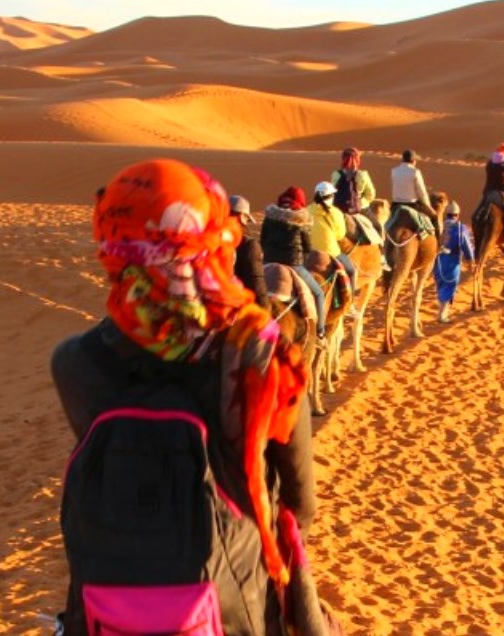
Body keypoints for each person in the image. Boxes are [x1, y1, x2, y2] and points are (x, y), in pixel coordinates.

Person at [50, 159, 337, 635]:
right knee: (317, 295)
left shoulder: (75, 362)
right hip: (234, 602)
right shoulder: (260, 352)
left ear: (112, 240)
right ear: (214, 233)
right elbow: (301, 501)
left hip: (106, 603)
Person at [261, 186, 326, 336]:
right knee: (318, 294)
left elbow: (263, 240)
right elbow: (307, 247)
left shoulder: (270, 216)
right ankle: (320, 332)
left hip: (268, 262)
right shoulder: (301, 220)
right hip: (294, 264)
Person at [433, 200, 476, 323]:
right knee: (449, 286)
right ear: (457, 215)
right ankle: (442, 314)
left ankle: (442, 312)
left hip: (438, 262)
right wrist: (470, 260)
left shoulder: (439, 226)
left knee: (440, 285)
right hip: (452, 262)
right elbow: (466, 244)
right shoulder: (460, 228)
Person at [306, 181, 357, 285]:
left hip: (309, 253)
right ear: (331, 197)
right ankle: (350, 300)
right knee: (352, 271)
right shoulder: (336, 213)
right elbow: (340, 235)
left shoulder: (307, 210)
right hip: (331, 252)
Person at [229, 195, 269, 309]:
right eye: (247, 218)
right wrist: (266, 311)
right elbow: (256, 281)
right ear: (241, 217)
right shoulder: (249, 245)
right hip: (238, 307)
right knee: (316, 294)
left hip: (207, 308)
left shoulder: (210, 239)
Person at [388, 149, 439, 234]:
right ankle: (438, 244)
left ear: (403, 159)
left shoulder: (394, 171)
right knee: (434, 217)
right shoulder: (415, 172)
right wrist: (429, 207)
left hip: (395, 205)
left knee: (387, 225)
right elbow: (422, 193)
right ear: (413, 160)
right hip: (412, 205)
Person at [329, 147, 377, 220]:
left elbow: (331, 194)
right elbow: (371, 195)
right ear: (357, 160)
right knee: (378, 227)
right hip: (360, 209)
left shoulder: (335, 174)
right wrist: (360, 203)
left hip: (338, 210)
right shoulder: (363, 175)